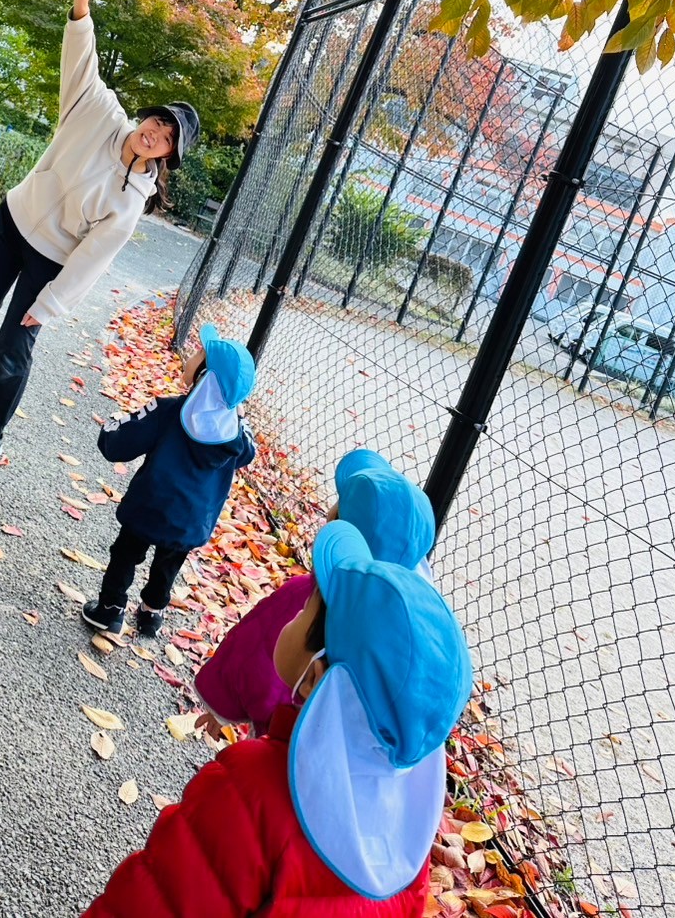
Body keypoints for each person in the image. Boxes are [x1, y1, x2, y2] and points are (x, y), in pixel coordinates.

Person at [83, 519, 472, 916]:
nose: (294, 613)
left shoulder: (252, 786)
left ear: (314, 679)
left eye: (304, 609)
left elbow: (159, 900)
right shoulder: (410, 832)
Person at [0, 0, 200, 469]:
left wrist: (50, 304)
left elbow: (92, 259)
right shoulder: (99, 112)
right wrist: (82, 11)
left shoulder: (131, 200)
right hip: (12, 221)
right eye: (158, 122)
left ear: (166, 155)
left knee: (13, 345)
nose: (155, 133)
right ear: (146, 118)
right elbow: (82, 65)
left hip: (51, 261)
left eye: (166, 138)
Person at [194, 447, 436, 738]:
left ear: (337, 524)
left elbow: (253, 649)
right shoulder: (402, 635)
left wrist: (223, 706)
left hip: (281, 736)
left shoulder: (308, 596)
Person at [82, 323, 256, 639]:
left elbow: (118, 444)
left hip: (148, 505)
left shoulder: (168, 411)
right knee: (169, 563)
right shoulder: (236, 436)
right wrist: (239, 417)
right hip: (192, 520)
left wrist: (111, 427)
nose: (190, 356)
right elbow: (247, 454)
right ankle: (152, 612)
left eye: (198, 354)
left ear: (204, 376)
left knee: (125, 554)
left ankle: (110, 609)